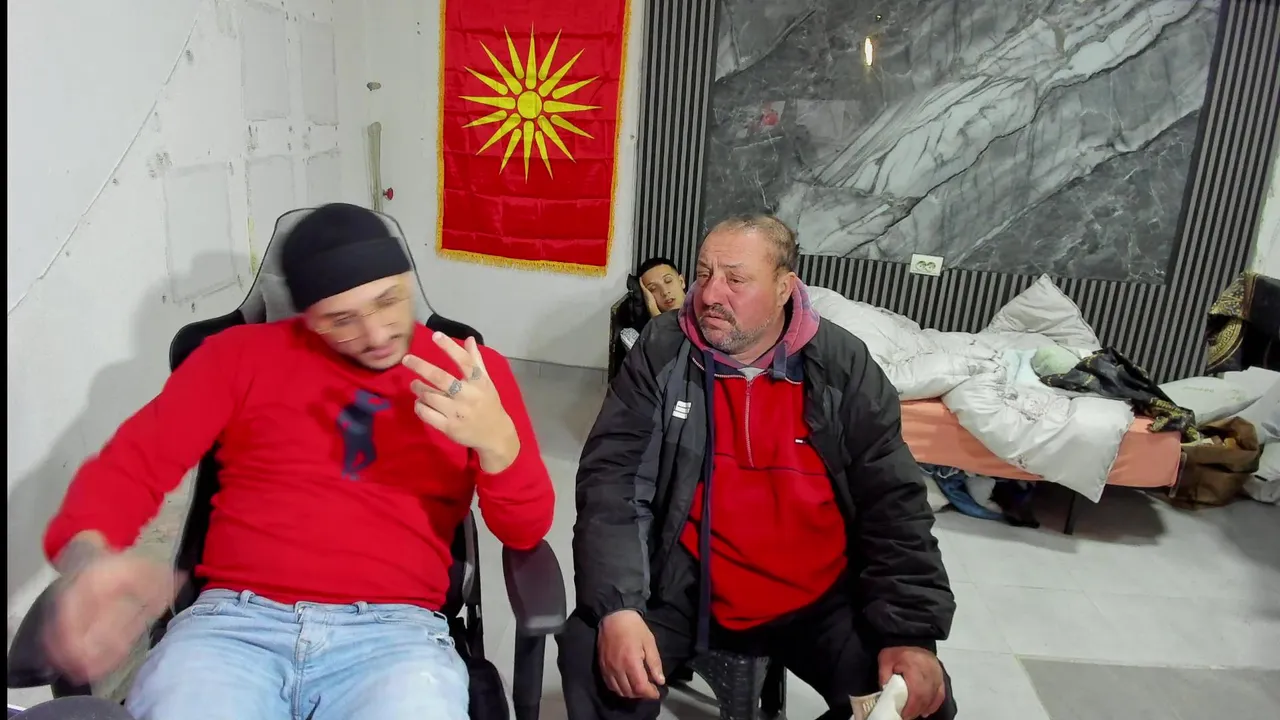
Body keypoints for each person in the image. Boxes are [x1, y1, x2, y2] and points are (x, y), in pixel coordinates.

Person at [38, 203, 556, 720]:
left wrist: (497, 443)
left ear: (407, 280)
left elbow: (525, 530)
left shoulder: (470, 374)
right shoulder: (235, 357)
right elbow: (131, 466)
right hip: (230, 631)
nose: (376, 334)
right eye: (341, 319)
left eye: (388, 301)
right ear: (307, 315)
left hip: (396, 639)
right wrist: (89, 561)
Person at [558, 214, 957, 720]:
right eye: (704, 274)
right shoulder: (663, 349)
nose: (709, 294)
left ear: (784, 288)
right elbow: (613, 482)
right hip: (684, 587)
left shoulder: (844, 366)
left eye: (736, 279)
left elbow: (893, 504)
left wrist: (910, 633)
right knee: (593, 661)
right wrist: (619, 607)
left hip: (819, 598)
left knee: (919, 705)